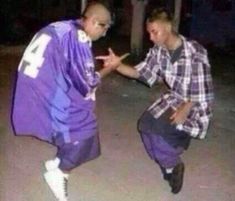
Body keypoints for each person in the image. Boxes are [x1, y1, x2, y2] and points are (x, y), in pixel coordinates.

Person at [97, 7, 214, 194]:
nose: (151, 37)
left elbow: (202, 91)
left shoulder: (194, 50)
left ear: (168, 28)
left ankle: (173, 163)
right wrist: (117, 66)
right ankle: (170, 159)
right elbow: (140, 73)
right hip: (175, 98)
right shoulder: (158, 51)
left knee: (158, 130)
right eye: (149, 32)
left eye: (154, 32)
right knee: (144, 125)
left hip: (195, 104)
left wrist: (185, 109)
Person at [11, 2, 115, 201]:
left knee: (86, 134)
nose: (105, 33)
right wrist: (110, 67)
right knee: (83, 134)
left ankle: (59, 160)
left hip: (36, 88)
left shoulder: (62, 26)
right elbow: (87, 84)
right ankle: (59, 172)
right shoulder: (77, 37)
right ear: (93, 22)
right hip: (48, 94)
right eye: (104, 27)